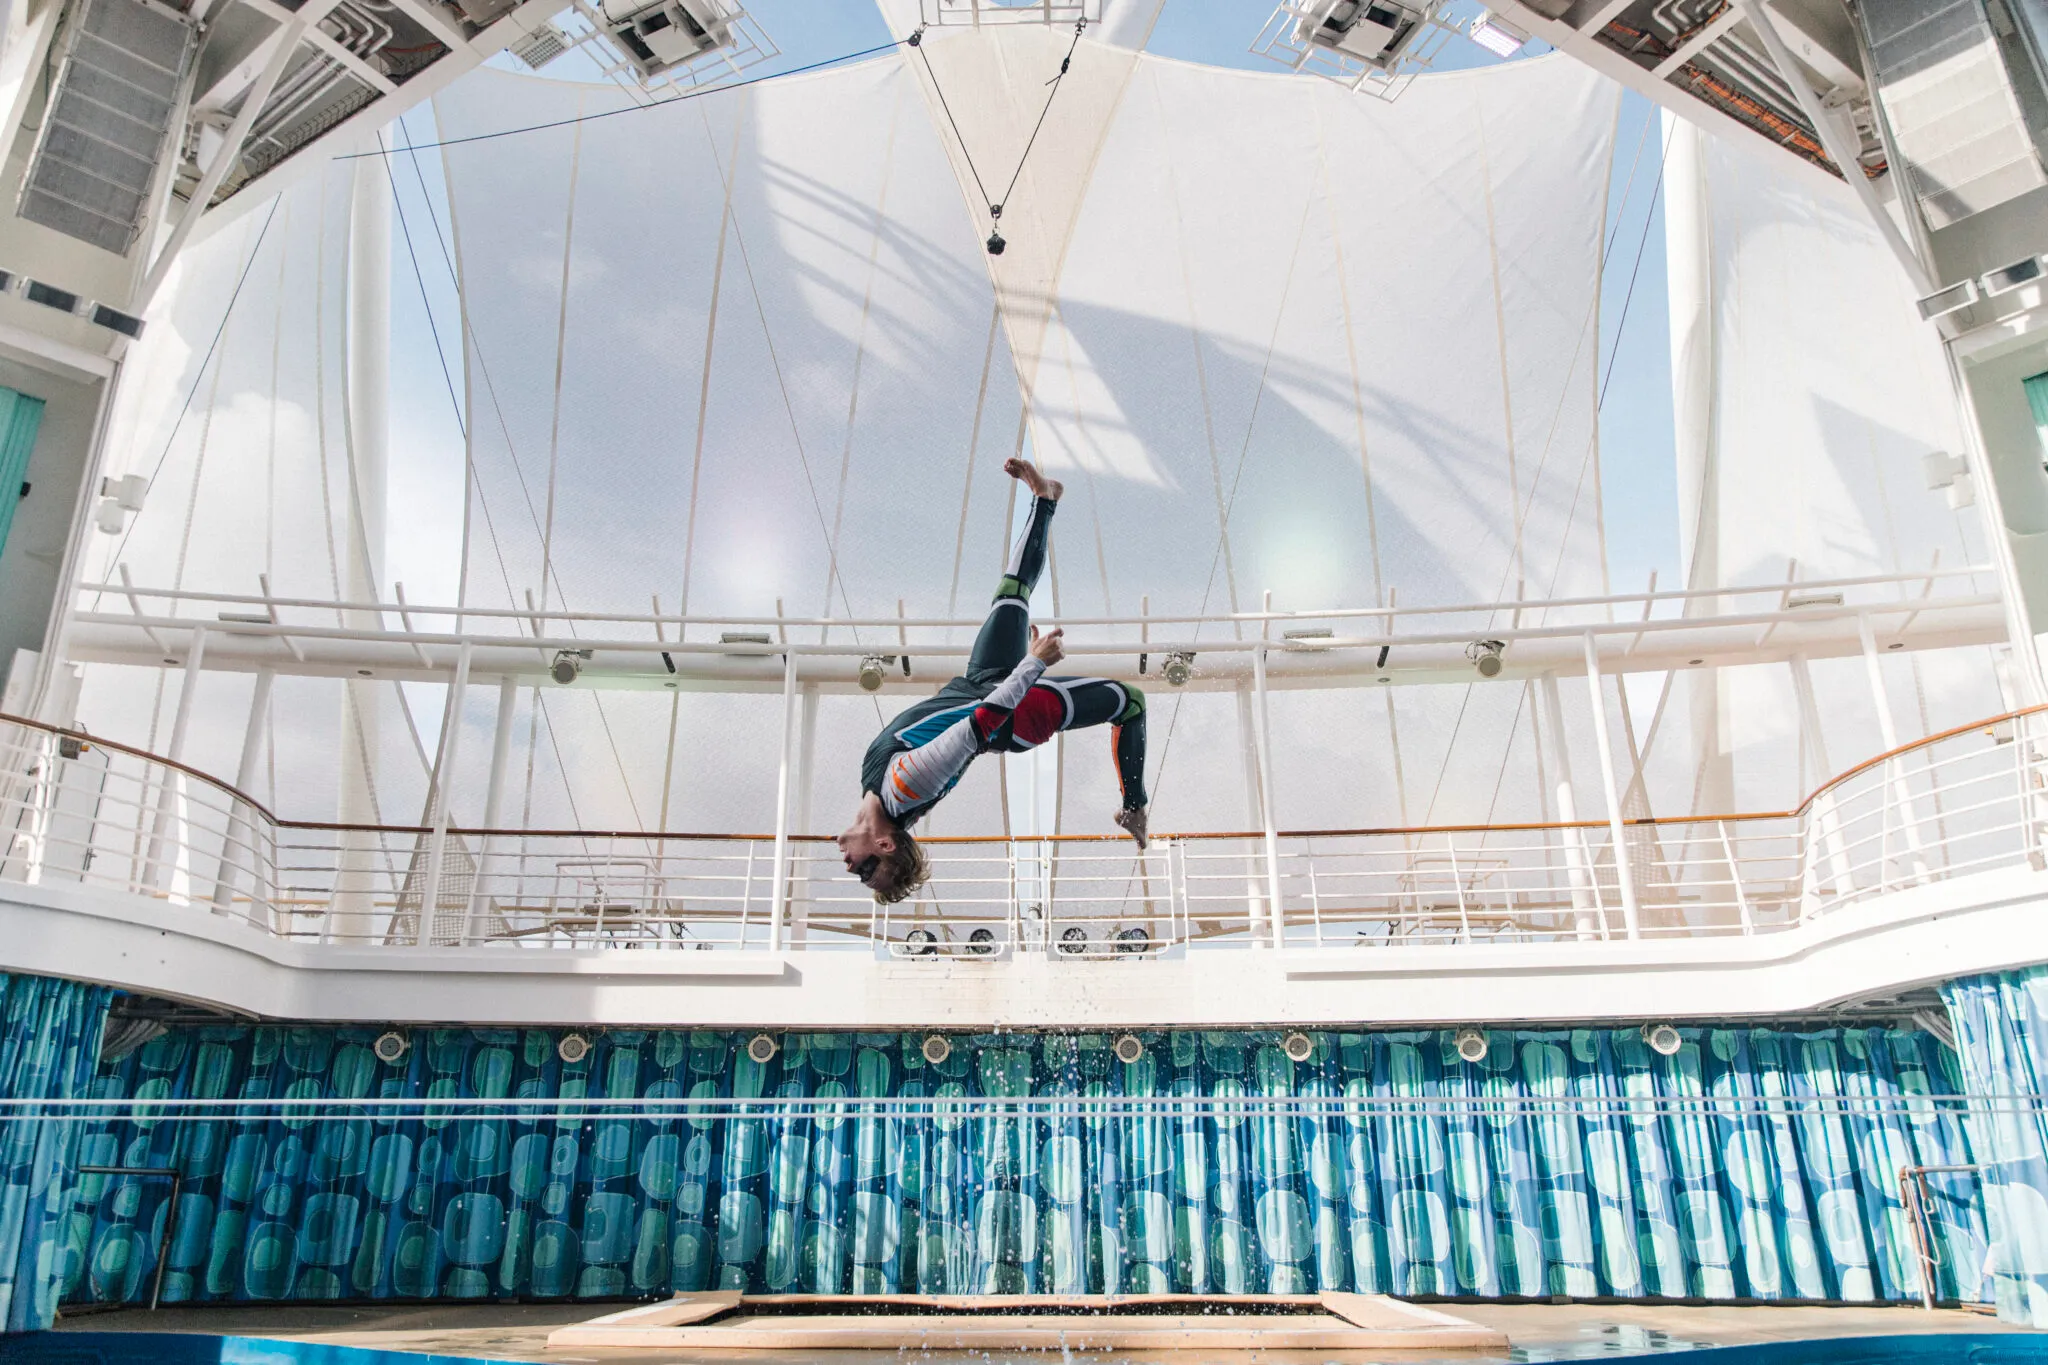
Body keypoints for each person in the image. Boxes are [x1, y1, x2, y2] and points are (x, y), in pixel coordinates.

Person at [838, 458, 1148, 903]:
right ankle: (1134, 807)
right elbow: (978, 726)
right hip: (1014, 713)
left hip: (981, 682)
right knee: (1130, 702)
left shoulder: (877, 793)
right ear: (884, 845)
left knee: (1012, 591)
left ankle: (1045, 499)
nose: (852, 868)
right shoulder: (908, 785)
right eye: (867, 871)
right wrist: (1033, 664)